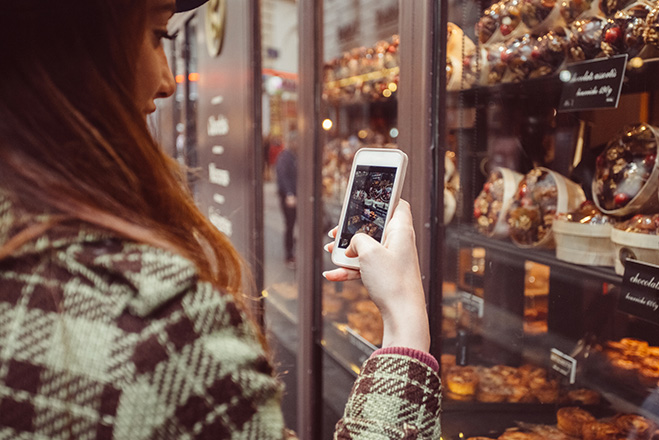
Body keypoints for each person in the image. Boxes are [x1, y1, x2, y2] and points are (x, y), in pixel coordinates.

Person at [0, 0, 441, 439]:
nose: (167, 82)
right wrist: (405, 322)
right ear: (74, 50)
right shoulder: (155, 331)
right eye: (158, 35)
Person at [275, 131, 298, 269]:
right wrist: (289, 194)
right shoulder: (285, 156)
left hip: (296, 195)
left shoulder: (295, 155)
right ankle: (289, 254)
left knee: (293, 225)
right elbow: (283, 176)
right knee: (290, 225)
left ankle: (293, 250)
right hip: (289, 196)